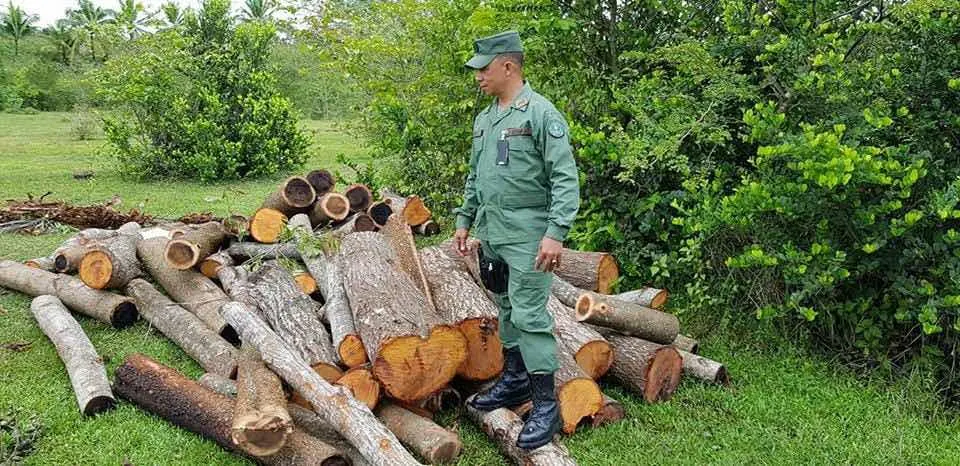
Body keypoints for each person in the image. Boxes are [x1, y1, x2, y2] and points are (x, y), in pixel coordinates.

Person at [453, 30, 580, 449]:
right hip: (493, 232)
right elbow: (476, 176)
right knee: (506, 306)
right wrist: (465, 221)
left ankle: (546, 404)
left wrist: (555, 234)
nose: (477, 77)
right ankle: (514, 381)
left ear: (508, 66)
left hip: (530, 235)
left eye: (483, 69)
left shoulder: (541, 114)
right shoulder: (486, 119)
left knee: (529, 314)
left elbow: (565, 179)